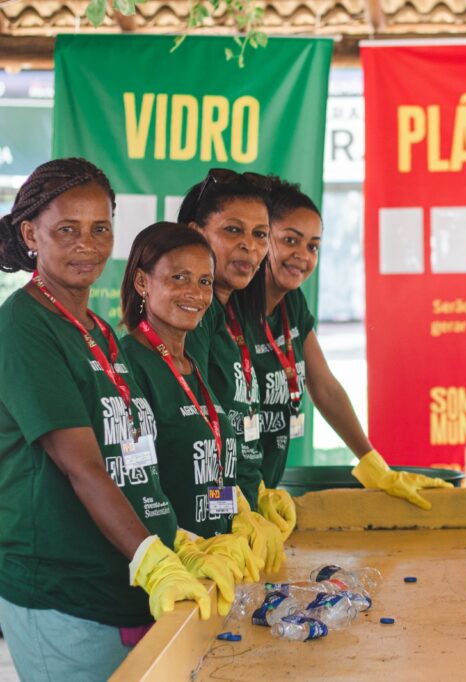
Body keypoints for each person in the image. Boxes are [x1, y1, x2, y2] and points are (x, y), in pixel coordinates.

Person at [0, 159, 209, 680]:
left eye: (100, 228)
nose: (87, 245)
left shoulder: (99, 330)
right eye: (66, 230)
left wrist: (177, 538)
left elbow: (130, 456)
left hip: (121, 584)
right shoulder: (23, 327)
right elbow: (83, 468)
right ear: (31, 233)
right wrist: (153, 558)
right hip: (63, 592)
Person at [254, 178, 453, 511]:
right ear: (262, 238)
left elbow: (326, 388)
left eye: (313, 246)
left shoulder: (293, 304)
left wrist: (375, 465)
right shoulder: (231, 310)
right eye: (290, 240)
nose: (302, 256)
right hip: (227, 496)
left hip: (262, 492)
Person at [121, 223, 261, 615]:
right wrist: (183, 543)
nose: (195, 294)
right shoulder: (129, 363)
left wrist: (241, 514)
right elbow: (130, 480)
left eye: (204, 281)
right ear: (142, 282)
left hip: (214, 573)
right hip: (167, 588)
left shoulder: (192, 365)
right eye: (178, 278)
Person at [178, 169, 285, 574]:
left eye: (260, 235)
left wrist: (253, 495)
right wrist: (234, 504)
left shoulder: (229, 310)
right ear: (196, 232)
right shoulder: (192, 315)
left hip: (228, 514)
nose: (250, 247)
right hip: (202, 532)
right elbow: (196, 433)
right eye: (233, 230)